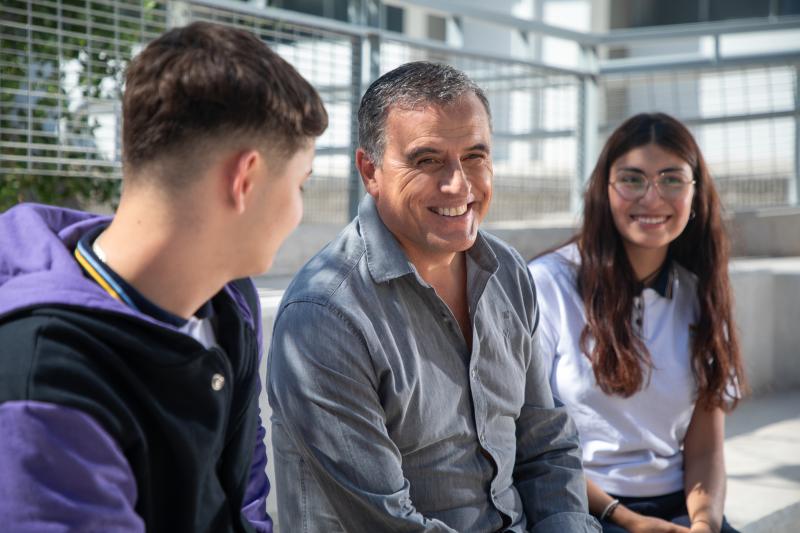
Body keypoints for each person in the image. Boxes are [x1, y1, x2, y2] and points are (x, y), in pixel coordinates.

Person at [0, 22, 327, 532]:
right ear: (246, 179)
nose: (298, 210)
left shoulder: (229, 303)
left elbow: (246, 499)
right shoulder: (43, 378)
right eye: (300, 184)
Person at [267, 61, 600, 533]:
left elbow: (545, 445)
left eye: (475, 156)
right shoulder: (325, 314)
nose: (458, 185)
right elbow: (387, 523)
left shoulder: (507, 272)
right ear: (370, 171)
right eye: (427, 160)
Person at [528, 113, 746, 533]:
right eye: (632, 179)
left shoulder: (699, 293)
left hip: (677, 505)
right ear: (603, 189)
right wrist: (628, 520)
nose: (652, 197)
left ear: (696, 192)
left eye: (671, 179)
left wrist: (704, 523)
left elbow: (704, 448)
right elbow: (531, 442)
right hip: (582, 505)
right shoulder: (548, 284)